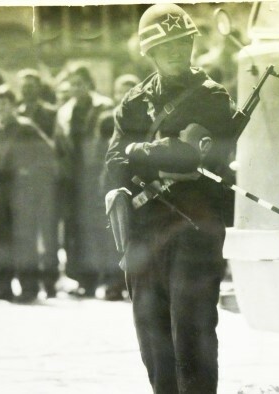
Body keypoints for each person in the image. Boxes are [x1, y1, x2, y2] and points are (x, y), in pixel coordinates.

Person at [104, 4, 238, 393]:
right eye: (168, 46)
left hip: (195, 226)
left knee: (192, 330)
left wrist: (141, 153)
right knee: (151, 334)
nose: (178, 51)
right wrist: (154, 153)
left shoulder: (212, 97)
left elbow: (205, 157)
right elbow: (113, 161)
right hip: (144, 230)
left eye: (184, 43)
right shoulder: (134, 101)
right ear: (150, 53)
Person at [0, 85, 56, 302]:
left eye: (6, 104)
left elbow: (47, 153)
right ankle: (4, 287)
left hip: (21, 189)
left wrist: (28, 172)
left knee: (25, 239)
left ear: (14, 105)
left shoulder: (26, 127)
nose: (2, 109)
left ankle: (29, 287)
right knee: (2, 240)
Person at [54, 65, 113, 298]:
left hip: (96, 174)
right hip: (73, 178)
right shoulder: (64, 111)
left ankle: (106, 278)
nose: (76, 88)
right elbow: (60, 145)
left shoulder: (104, 106)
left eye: (80, 83)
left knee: (99, 228)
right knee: (75, 229)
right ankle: (82, 280)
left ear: (89, 84)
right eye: (72, 84)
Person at [93, 73, 141, 301]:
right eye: (121, 89)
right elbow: (97, 151)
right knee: (111, 233)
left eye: (130, 88)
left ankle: (135, 281)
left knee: (134, 231)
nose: (125, 93)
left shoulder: (144, 116)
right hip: (110, 177)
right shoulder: (105, 118)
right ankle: (113, 283)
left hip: (136, 178)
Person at [16, 68, 60, 296]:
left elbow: (56, 144)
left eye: (31, 87)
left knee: (48, 232)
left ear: (38, 89)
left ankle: (50, 282)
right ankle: (28, 284)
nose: (27, 91)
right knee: (26, 233)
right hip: (23, 181)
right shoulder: (15, 113)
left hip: (45, 179)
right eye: (23, 88)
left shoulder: (51, 113)